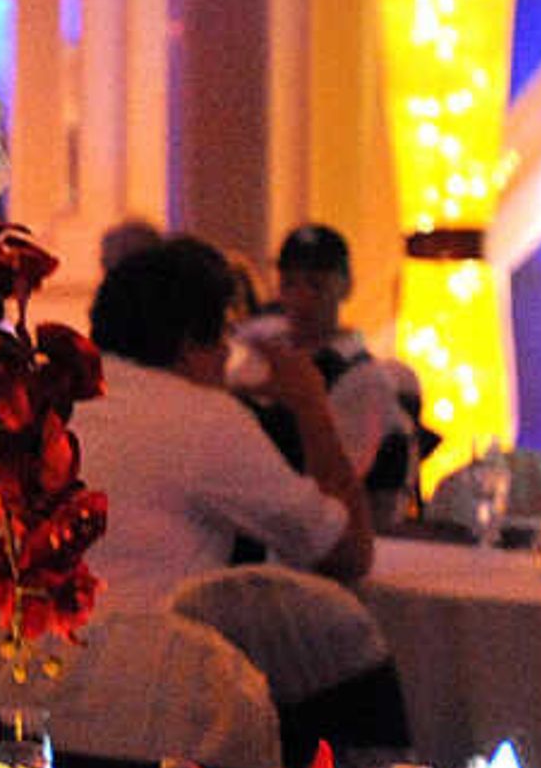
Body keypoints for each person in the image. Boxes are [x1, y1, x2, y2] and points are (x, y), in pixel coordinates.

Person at [23, 233, 371, 600]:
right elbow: (346, 553)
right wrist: (310, 403)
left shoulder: (47, 399)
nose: (226, 354)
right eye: (221, 335)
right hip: (114, 650)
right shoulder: (203, 418)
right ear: (191, 344)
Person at [232, 222, 428, 509]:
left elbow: (335, 485)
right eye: (290, 284)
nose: (301, 298)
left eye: (315, 285)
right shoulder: (258, 349)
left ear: (346, 286)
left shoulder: (364, 380)